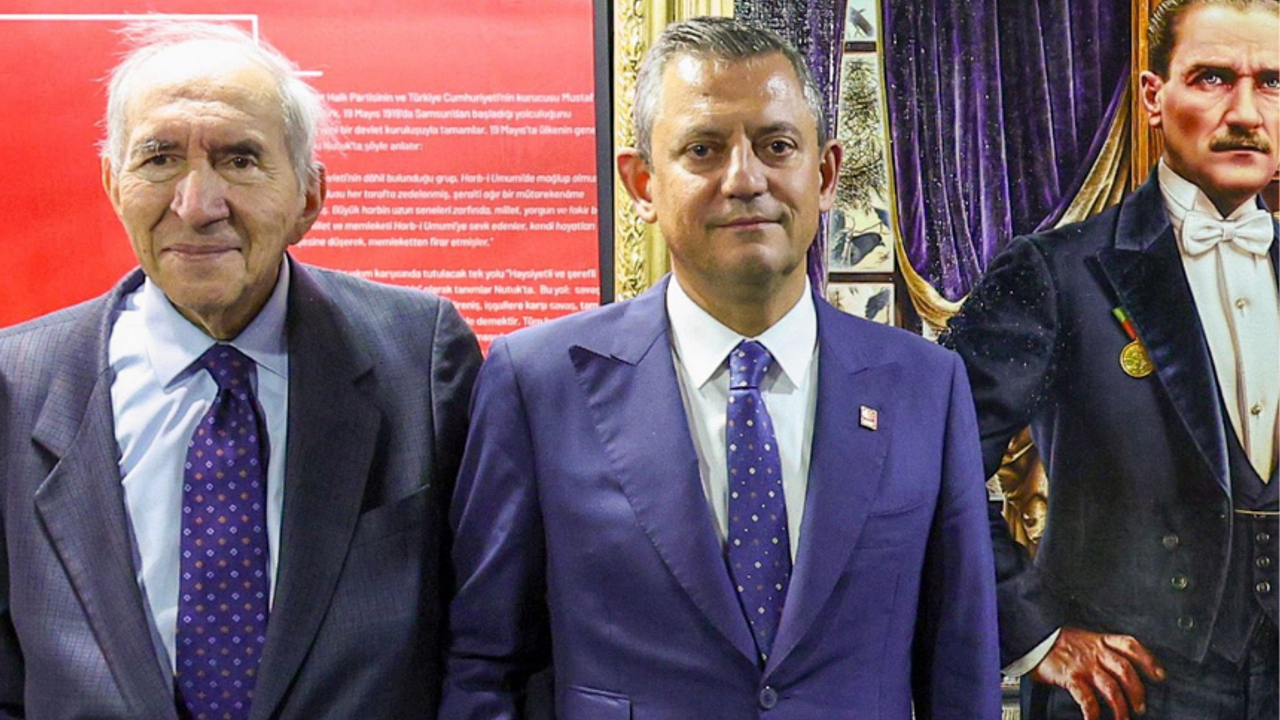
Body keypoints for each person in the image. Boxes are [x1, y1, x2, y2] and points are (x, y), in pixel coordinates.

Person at [442, 16, 1000, 719]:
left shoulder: (925, 386)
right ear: (642, 184)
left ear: (826, 174)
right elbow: (486, 664)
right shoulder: (538, 382)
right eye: (703, 149)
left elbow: (961, 667)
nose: (745, 179)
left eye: (776, 146)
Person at [0, 21, 481, 719]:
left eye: (240, 160)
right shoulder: (17, 383)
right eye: (159, 158)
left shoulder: (419, 356)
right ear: (113, 183)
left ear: (308, 196)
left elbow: (487, 640)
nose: (197, 206)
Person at [942, 0, 1279, 718]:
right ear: (1154, 97)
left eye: (1273, 83)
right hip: (1129, 694)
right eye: (1213, 78)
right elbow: (931, 463)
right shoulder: (1055, 271)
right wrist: (1036, 635)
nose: (1247, 113)